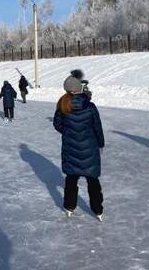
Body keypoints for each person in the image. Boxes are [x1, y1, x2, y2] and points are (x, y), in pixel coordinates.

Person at [53, 75, 105, 221]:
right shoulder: (90, 106)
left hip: (71, 148)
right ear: (78, 88)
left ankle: (69, 207)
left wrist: (68, 133)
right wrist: (100, 143)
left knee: (71, 179)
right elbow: (97, 127)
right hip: (90, 148)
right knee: (93, 180)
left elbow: (57, 124)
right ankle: (97, 210)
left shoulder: (63, 105)